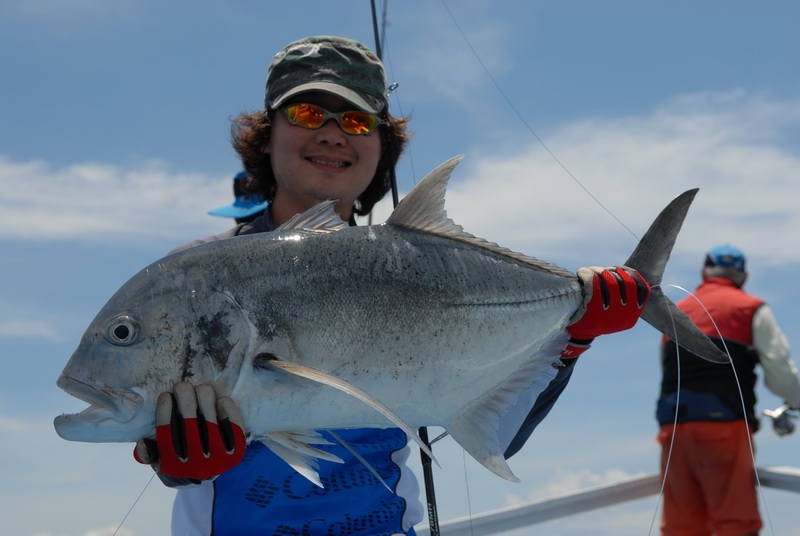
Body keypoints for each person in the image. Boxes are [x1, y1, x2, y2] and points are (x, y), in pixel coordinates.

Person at [133, 35, 652, 536]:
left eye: (357, 120)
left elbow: (494, 433)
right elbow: (151, 435)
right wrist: (178, 462)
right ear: (267, 134)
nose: (333, 134)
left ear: (382, 147)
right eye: (308, 113)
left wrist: (572, 339)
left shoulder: (416, 272)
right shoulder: (195, 279)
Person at [656, 244, 800, 536]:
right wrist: (794, 400)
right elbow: (780, 373)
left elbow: (665, 367)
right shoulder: (751, 308)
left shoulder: (674, 312)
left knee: (682, 527)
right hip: (724, 427)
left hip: (673, 430)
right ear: (743, 277)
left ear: (703, 272)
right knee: (735, 523)